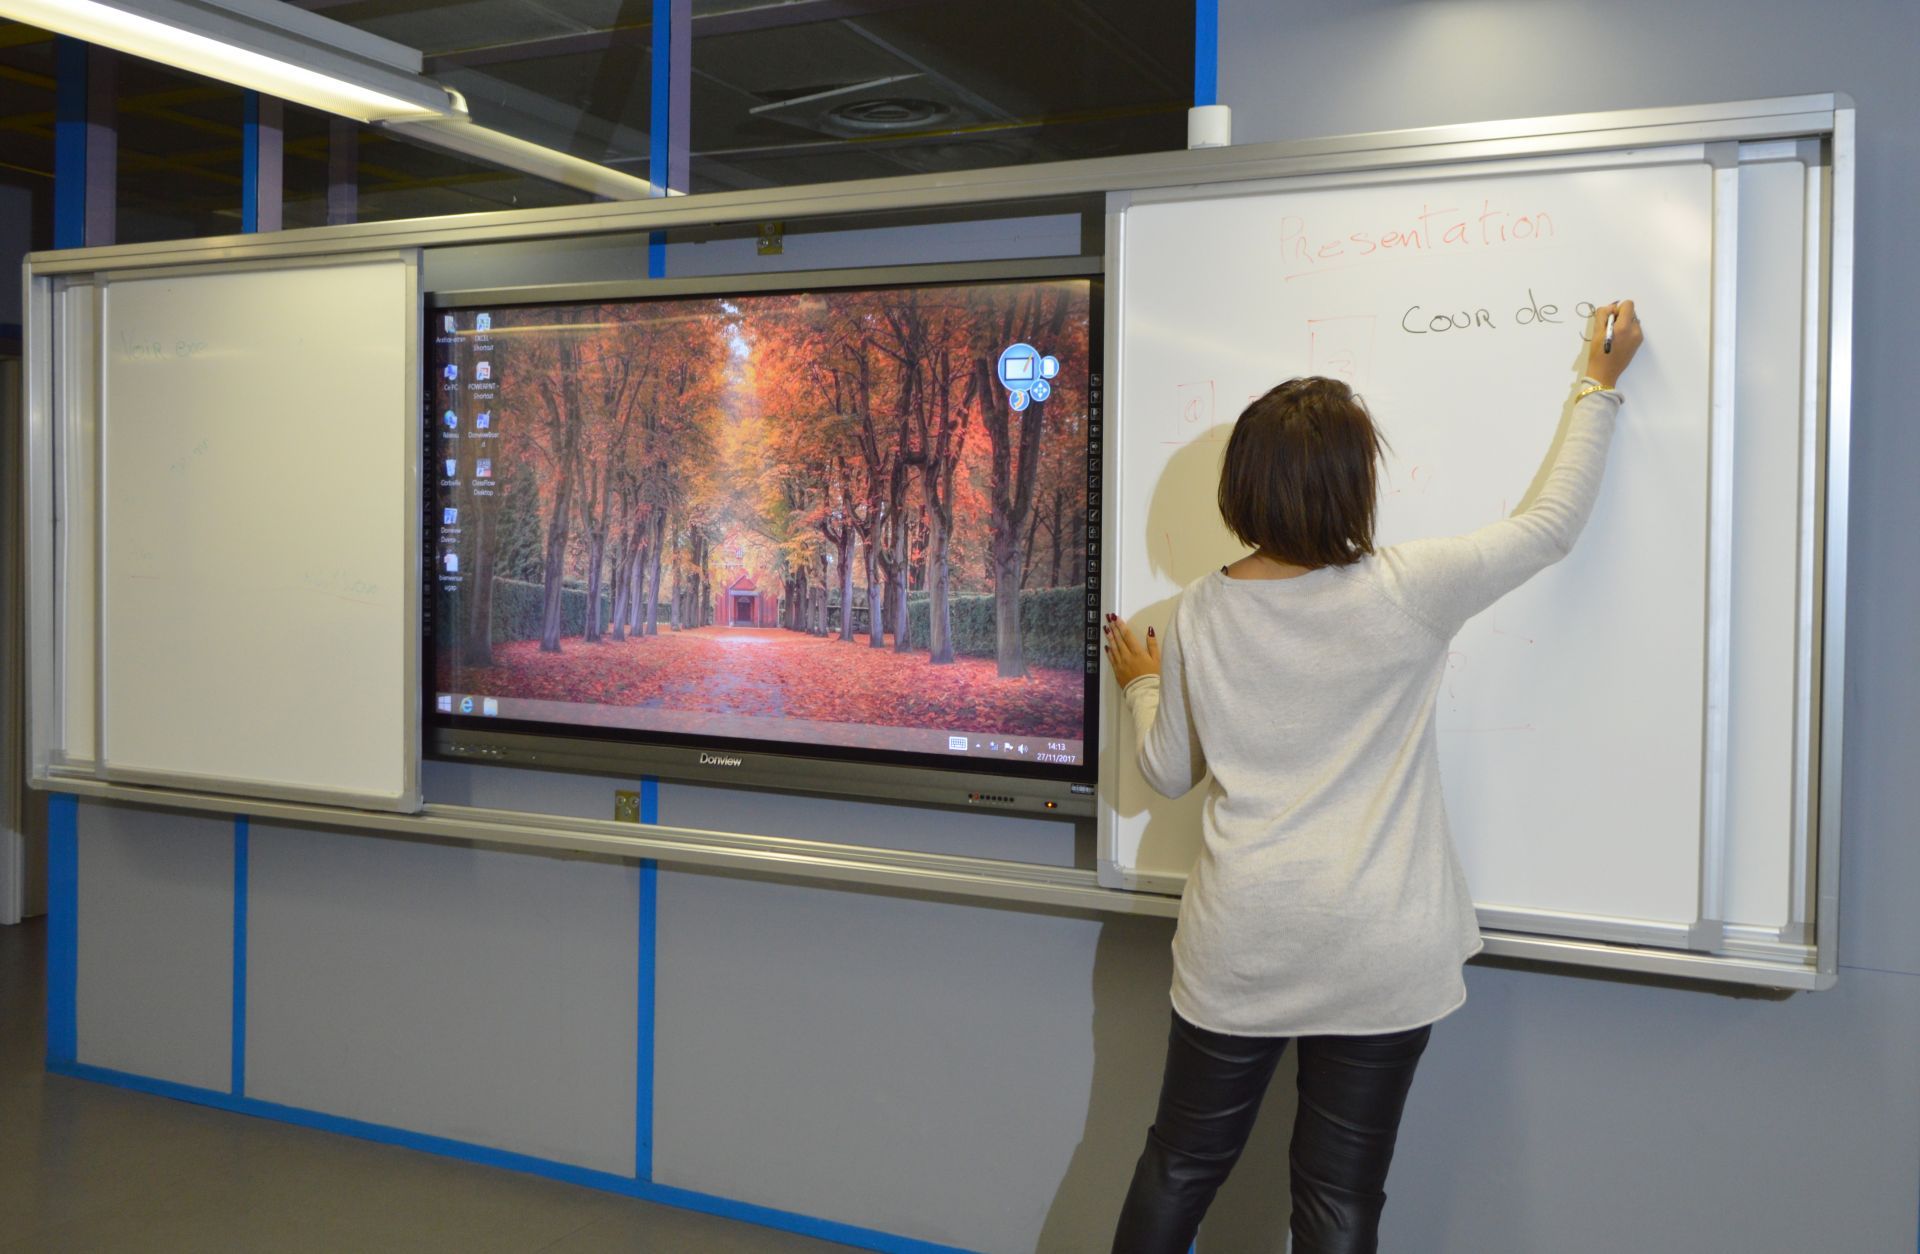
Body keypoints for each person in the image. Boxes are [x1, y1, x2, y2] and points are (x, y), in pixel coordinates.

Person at [1104, 302, 1644, 1254]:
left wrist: (1143, 687)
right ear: (1355, 487)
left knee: (1178, 1167)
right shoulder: (1409, 587)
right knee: (1339, 1198)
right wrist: (1596, 385)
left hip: (1245, 941)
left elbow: (1166, 771)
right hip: (1381, 943)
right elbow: (1550, 527)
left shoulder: (1195, 616)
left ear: (1243, 488)